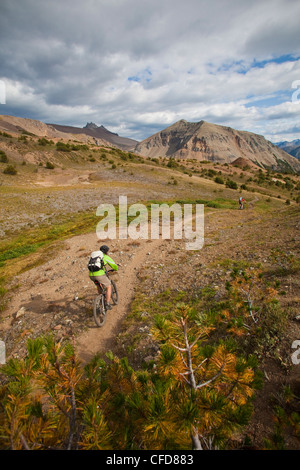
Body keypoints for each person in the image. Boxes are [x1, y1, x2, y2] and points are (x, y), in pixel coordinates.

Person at [89, 245, 118, 309]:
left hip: (91, 275)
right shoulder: (105, 256)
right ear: (106, 251)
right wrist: (116, 269)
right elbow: (113, 265)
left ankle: (100, 298)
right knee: (109, 286)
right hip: (99, 275)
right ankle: (107, 303)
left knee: (98, 285)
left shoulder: (94, 256)